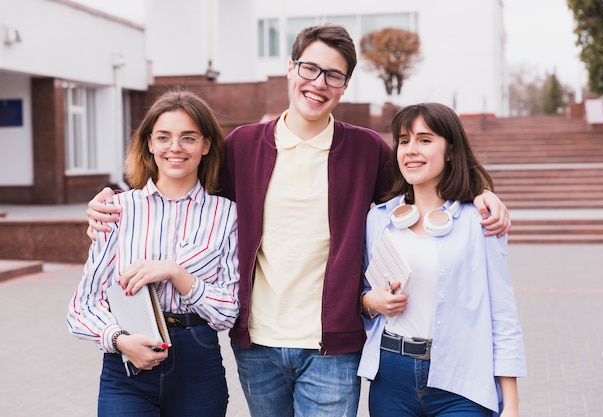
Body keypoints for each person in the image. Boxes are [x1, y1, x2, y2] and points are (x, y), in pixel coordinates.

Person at [85, 25, 510, 417]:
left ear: (345, 86)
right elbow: (183, 189)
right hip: (259, 345)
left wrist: (478, 192)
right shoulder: (243, 146)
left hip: (333, 347)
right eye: (310, 68)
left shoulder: (366, 150)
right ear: (290, 69)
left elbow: (419, 181)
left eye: (334, 75)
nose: (319, 83)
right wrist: (114, 200)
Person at [67, 90, 239, 417]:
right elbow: (82, 306)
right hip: (127, 364)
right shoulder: (116, 209)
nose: (175, 147)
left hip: (198, 365)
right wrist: (118, 340)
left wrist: (176, 273)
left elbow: (228, 311)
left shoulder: (226, 215)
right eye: (163, 137)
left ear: (206, 145)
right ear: (149, 143)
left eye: (188, 137)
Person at [358, 102, 526, 417]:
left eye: (425, 139)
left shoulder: (480, 220)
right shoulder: (378, 220)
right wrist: (371, 302)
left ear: (450, 150)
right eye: (404, 141)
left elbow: (502, 314)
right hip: (391, 377)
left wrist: (512, 404)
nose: (410, 150)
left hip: (461, 380)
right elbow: (364, 299)